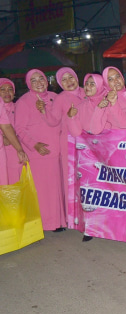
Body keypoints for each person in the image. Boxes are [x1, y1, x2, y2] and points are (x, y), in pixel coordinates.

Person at [14, 69, 66, 231]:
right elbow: (20, 129)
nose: (39, 83)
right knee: (44, 190)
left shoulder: (55, 97)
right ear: (29, 83)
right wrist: (34, 145)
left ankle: (59, 221)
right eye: (34, 80)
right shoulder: (24, 101)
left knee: (57, 187)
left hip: (58, 150)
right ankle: (47, 223)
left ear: (47, 81)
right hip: (39, 153)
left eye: (41, 79)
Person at [50, 67, 85, 217]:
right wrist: (68, 116)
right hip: (69, 145)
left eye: (70, 77)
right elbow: (53, 121)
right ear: (59, 83)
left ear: (76, 77)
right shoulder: (61, 98)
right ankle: (74, 216)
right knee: (72, 180)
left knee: (89, 178)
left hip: (90, 143)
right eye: (63, 79)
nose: (68, 82)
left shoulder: (86, 91)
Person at [90, 67, 126, 133]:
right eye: (110, 79)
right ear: (106, 83)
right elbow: (95, 130)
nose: (116, 81)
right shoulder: (106, 102)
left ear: (122, 77)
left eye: (117, 76)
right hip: (120, 141)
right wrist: (99, 108)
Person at [1, 78, 26, 184]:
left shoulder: (20, 108)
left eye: (10, 89)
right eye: (2, 89)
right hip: (3, 155)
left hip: (18, 155)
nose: (7, 92)